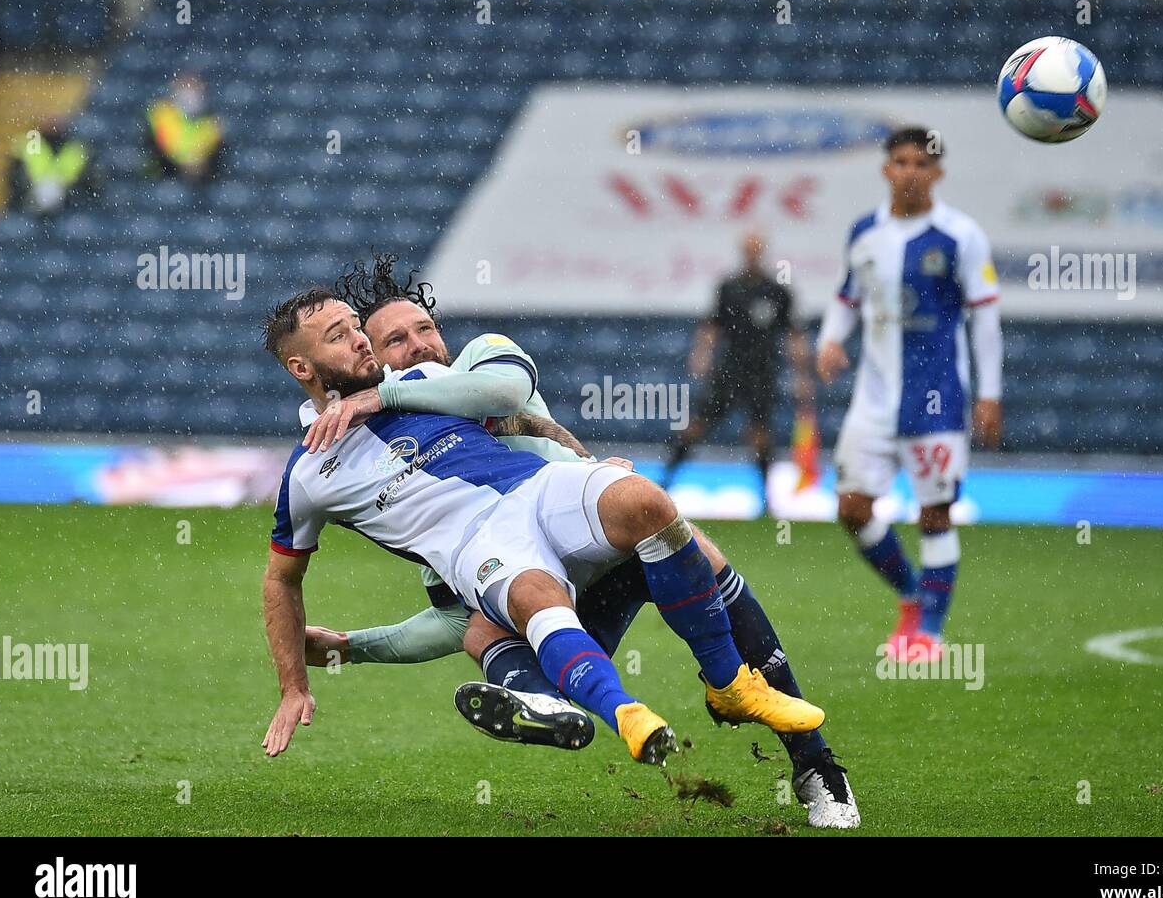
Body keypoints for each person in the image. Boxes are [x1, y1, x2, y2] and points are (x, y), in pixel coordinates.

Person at [296, 255, 859, 828]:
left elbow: (506, 391)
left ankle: (814, 763)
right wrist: (351, 646)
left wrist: (382, 399)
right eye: (394, 340)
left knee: (691, 544)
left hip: (598, 539)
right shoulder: (411, 466)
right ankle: (551, 702)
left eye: (425, 329)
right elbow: (445, 623)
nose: (418, 345)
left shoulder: (478, 360)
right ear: (370, 361)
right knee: (477, 624)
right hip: (539, 583)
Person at [815, 126, 1003, 661]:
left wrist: (989, 394)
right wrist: (830, 340)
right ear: (886, 170)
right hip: (873, 401)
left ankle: (930, 635)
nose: (911, 172)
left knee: (934, 514)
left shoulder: (960, 235)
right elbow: (847, 296)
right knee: (851, 509)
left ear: (938, 173)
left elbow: (985, 318)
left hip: (937, 397)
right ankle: (912, 596)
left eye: (922, 163)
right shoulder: (864, 232)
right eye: (901, 162)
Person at [663, 231, 813, 511]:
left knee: (760, 433)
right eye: (748, 248)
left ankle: (768, 500)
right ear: (743, 251)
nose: (752, 253)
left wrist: (802, 375)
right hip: (730, 368)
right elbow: (712, 324)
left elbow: (794, 334)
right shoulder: (729, 287)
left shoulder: (777, 290)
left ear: (762, 251)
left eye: (756, 248)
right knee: (696, 426)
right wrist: (702, 353)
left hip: (762, 371)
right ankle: (665, 483)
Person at [6, 117, 97, 215]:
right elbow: (14, 178)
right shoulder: (27, 145)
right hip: (32, 202)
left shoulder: (77, 148)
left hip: (68, 204)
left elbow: (88, 181)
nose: (53, 125)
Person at [145, 73, 223, 182]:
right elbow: (161, 146)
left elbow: (210, 154)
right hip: (163, 175)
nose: (190, 97)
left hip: (199, 180)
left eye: (195, 90)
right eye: (185, 90)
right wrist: (188, 159)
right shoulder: (161, 113)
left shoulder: (211, 122)